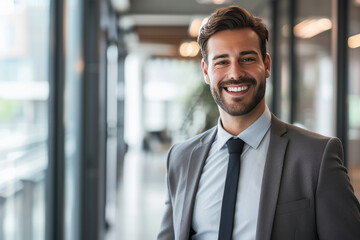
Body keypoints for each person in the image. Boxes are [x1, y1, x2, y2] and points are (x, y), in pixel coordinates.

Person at [157, 5, 360, 240]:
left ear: (267, 65)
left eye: (247, 58)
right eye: (222, 62)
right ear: (206, 71)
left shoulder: (315, 157)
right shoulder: (181, 158)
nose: (235, 73)